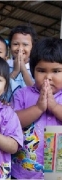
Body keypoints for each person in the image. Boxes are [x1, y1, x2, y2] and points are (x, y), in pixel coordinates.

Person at [11, 37, 62, 179]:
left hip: (57, 170)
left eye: (56, 71)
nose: (48, 77)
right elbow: (14, 121)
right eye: (41, 70)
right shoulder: (22, 94)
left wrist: (54, 107)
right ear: (33, 71)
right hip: (24, 170)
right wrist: (39, 108)